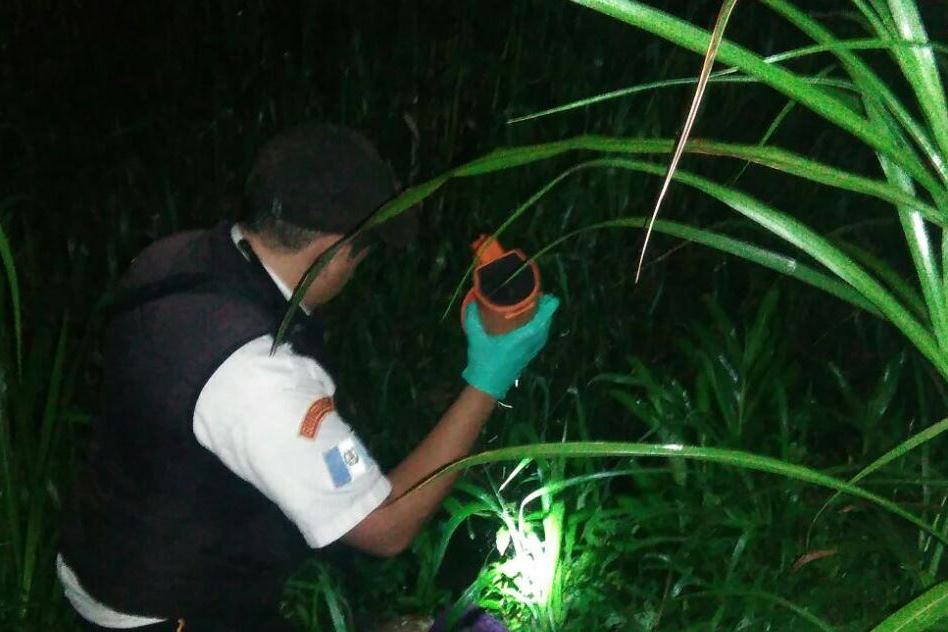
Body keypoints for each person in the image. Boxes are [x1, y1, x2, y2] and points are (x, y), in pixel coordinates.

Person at [58, 123, 560, 631]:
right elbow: (385, 527)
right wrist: (490, 374)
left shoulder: (174, 258)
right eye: (362, 254)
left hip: (110, 552)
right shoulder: (261, 379)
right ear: (332, 252)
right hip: (166, 613)